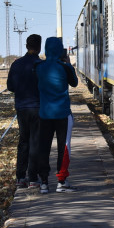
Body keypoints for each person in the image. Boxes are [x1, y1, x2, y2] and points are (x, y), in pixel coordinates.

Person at [35, 37, 79, 194]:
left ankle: (44, 183)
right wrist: (67, 63)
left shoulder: (38, 67)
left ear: (46, 50)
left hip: (44, 114)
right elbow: (74, 83)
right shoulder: (65, 67)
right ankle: (61, 182)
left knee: (43, 147)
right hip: (63, 114)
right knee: (64, 147)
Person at [7, 34, 43, 189]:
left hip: (22, 108)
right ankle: (33, 178)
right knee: (35, 141)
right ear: (39, 47)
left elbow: (10, 87)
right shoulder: (42, 65)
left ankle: (20, 177)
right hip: (38, 108)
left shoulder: (16, 64)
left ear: (26, 46)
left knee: (23, 141)